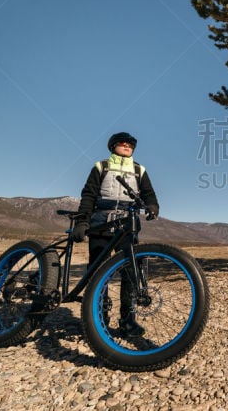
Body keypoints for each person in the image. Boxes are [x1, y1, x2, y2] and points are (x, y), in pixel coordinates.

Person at [70, 132, 160, 337]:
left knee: (130, 271)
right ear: (112, 146)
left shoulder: (140, 170)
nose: (127, 145)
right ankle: (97, 318)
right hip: (101, 221)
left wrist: (153, 206)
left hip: (128, 223)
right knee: (97, 270)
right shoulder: (100, 167)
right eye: (122, 142)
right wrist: (83, 221)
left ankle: (127, 321)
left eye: (131, 143)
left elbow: (148, 194)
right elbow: (89, 195)